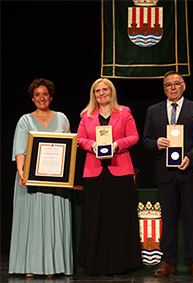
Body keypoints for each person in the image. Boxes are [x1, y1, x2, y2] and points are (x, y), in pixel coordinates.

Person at [142, 71, 193, 277]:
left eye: (176, 84)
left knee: (192, 219)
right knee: (168, 220)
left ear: (184, 86)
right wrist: (157, 144)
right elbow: (146, 141)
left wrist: (191, 157)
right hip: (165, 174)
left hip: (189, 172)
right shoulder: (153, 110)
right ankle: (167, 262)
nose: (172, 88)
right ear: (164, 88)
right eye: (168, 85)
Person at [9, 78, 73, 278]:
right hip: (30, 179)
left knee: (54, 223)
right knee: (32, 222)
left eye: (45, 94)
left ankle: (54, 267)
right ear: (32, 98)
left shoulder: (61, 118)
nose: (41, 98)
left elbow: (69, 148)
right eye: (37, 95)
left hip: (56, 181)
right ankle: (29, 266)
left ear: (51, 96)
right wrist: (21, 170)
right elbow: (20, 149)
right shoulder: (25, 120)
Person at [77, 78, 141, 275]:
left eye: (105, 89)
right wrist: (92, 145)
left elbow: (134, 136)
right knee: (95, 217)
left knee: (119, 218)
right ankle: (95, 264)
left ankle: (121, 264)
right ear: (93, 95)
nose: (101, 93)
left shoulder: (124, 112)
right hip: (94, 172)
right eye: (97, 91)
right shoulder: (86, 115)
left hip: (119, 170)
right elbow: (79, 139)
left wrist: (116, 145)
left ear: (112, 92)